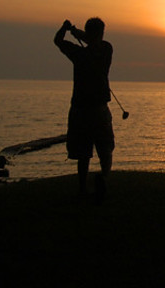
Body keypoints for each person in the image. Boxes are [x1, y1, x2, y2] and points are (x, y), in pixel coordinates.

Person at [54, 18, 114, 203]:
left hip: (80, 109)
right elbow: (93, 42)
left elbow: (58, 41)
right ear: (102, 33)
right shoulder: (106, 50)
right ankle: (103, 178)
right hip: (99, 109)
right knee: (105, 148)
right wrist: (77, 32)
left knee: (83, 152)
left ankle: (83, 187)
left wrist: (66, 29)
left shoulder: (78, 54)